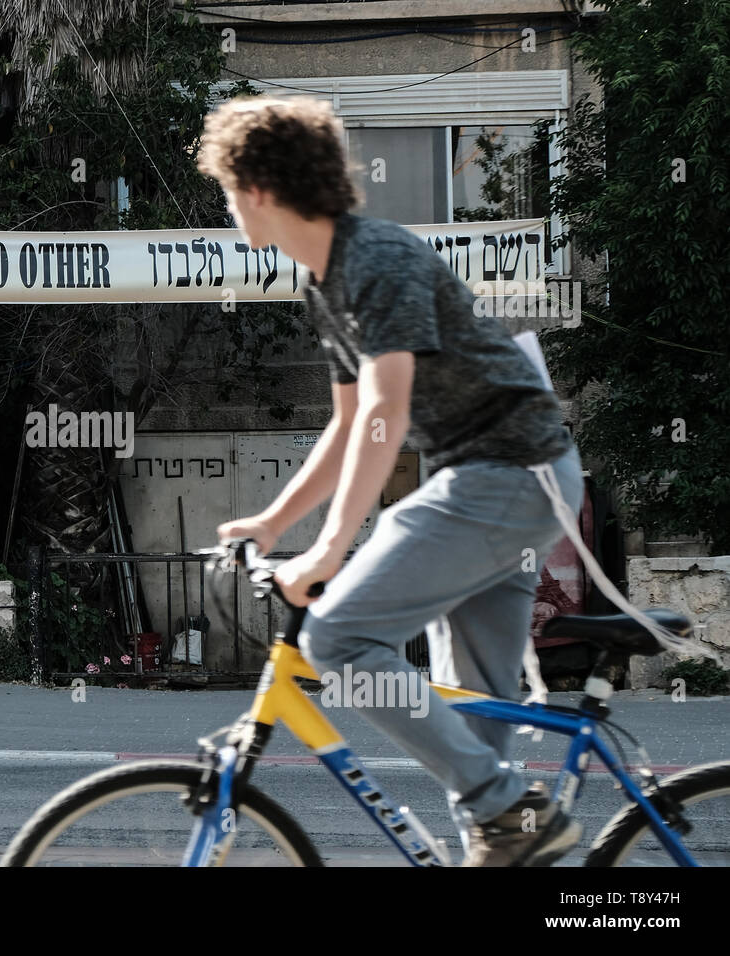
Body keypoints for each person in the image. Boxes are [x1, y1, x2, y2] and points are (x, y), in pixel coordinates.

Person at [196, 95, 584, 866]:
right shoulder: (328, 280)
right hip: (495, 481)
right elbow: (347, 426)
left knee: (340, 636)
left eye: (229, 191)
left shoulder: (377, 259)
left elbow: (384, 411)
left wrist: (331, 550)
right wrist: (274, 523)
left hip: (505, 474)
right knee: (475, 718)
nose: (229, 208)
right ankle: (517, 835)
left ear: (260, 190)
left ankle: (508, 809)